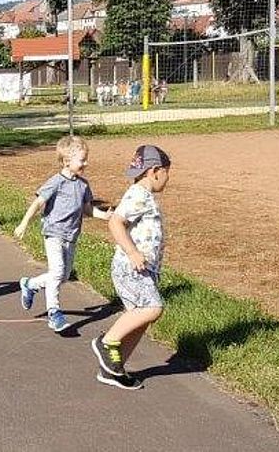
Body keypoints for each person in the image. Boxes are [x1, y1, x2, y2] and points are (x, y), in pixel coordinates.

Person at [91, 145, 171, 391]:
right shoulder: (139, 193)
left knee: (139, 319)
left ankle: (113, 369)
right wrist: (133, 252)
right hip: (131, 267)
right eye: (167, 172)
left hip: (143, 269)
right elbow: (116, 222)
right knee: (152, 308)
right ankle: (107, 343)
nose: (168, 178)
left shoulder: (144, 195)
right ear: (154, 171)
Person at [14, 136, 110, 332]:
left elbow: (87, 209)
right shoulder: (55, 182)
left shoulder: (83, 185)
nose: (86, 163)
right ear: (67, 161)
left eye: (86, 159)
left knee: (64, 276)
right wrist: (24, 223)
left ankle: (30, 284)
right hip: (54, 233)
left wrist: (105, 216)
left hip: (71, 236)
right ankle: (54, 313)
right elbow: (38, 203)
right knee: (57, 272)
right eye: (82, 160)